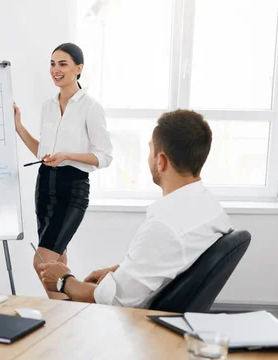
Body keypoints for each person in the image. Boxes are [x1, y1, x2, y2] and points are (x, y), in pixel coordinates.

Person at [38, 109, 233, 308]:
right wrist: (121, 272)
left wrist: (63, 280)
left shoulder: (163, 228)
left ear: (161, 161)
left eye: (150, 150)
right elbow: (172, 262)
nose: (148, 158)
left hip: (135, 327)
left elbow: (114, 301)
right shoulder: (211, 208)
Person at [14, 43, 113, 299]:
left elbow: (103, 156)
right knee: (58, 263)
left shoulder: (91, 107)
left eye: (63, 64)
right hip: (45, 186)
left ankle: (83, 302)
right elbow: (41, 152)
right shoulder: (48, 105)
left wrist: (68, 155)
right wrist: (18, 127)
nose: (55, 70)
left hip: (72, 189)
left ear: (78, 69)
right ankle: (68, 316)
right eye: (52, 64)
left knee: (42, 264)